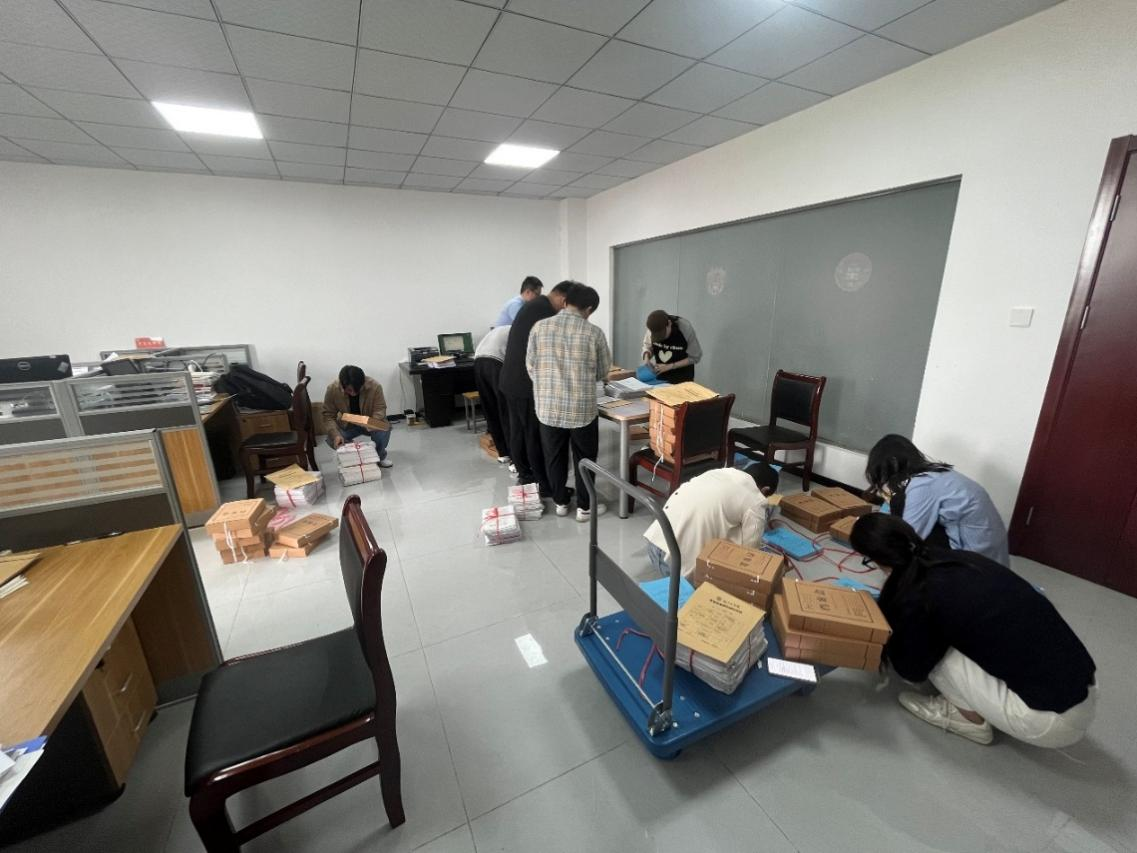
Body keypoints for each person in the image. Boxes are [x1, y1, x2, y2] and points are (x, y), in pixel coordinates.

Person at [850, 513, 1096, 748]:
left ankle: (968, 721)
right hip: (1083, 689)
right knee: (956, 630)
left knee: (932, 649)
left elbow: (911, 671)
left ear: (877, 559)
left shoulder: (922, 596)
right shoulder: (958, 559)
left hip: (1050, 721)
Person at [527, 282, 612, 521]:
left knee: (554, 456)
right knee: (585, 458)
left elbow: (531, 366)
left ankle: (561, 503)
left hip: (548, 408)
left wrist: (548, 386)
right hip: (581, 409)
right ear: (589, 309)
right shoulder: (594, 333)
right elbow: (602, 371)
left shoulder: (539, 328)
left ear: (565, 302)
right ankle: (585, 507)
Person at [865, 434, 1009, 566]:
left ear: (894, 463)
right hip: (992, 556)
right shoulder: (937, 473)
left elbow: (910, 536)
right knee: (899, 504)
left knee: (905, 539)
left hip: (976, 563)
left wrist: (877, 545)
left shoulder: (922, 486)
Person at [498, 281, 573, 498]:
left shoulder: (534, 306)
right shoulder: (544, 311)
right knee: (533, 434)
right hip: (524, 383)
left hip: (511, 380)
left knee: (519, 430)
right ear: (563, 300)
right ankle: (545, 486)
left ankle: (526, 475)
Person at [643, 463, 779, 577]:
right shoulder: (755, 499)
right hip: (674, 565)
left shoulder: (719, 472)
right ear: (765, 489)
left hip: (654, 544)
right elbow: (750, 551)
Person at [321, 365, 393, 468]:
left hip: (369, 422)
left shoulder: (375, 386)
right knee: (331, 438)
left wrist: (370, 423)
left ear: (363, 383)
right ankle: (355, 453)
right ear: (342, 385)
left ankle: (380, 456)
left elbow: (380, 409)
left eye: (357, 390)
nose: (353, 394)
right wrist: (336, 435)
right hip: (347, 424)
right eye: (349, 391)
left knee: (384, 427)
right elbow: (328, 415)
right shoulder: (332, 389)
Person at [472, 324, 512, 464]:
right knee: (506, 411)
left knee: (491, 410)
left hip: (478, 362)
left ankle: (503, 453)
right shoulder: (520, 330)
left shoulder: (502, 329)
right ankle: (515, 459)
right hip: (496, 363)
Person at [642, 310, 702, 383]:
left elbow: (695, 357)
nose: (662, 338)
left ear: (669, 323)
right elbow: (647, 346)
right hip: (660, 377)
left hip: (682, 378)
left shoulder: (684, 327)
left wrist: (669, 366)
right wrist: (647, 358)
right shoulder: (653, 326)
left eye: (663, 334)